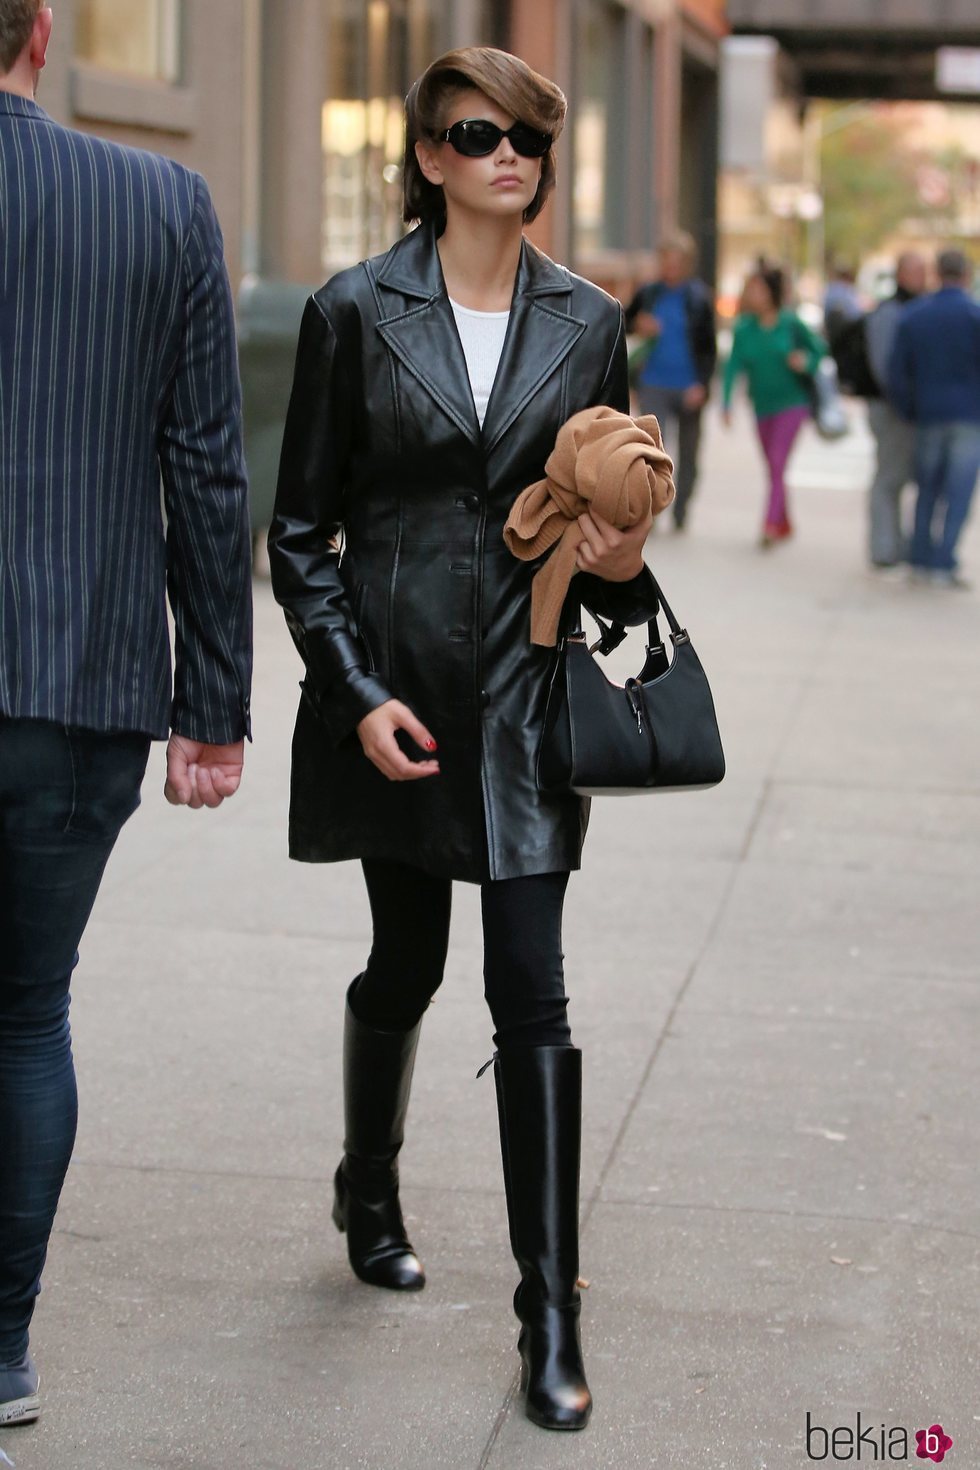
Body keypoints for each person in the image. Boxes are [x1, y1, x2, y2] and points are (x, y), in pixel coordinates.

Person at [268, 46, 663, 1434]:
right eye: (480, 136)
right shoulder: (352, 311)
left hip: (534, 698)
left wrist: (623, 533)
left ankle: (549, 1314)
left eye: (530, 141)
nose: (512, 159)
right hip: (401, 699)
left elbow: (598, 509)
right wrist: (353, 689)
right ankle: (366, 1177)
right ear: (430, 157)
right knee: (406, 960)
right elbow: (300, 533)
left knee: (532, 990)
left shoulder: (590, 318)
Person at [0, 1, 253, 1428]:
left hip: (75, 680)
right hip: (80, 677)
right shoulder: (159, 204)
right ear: (41, 34)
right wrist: (209, 704)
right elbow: (208, 469)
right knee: (25, 1011)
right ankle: (2, 1350)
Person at [888, 248, 980, 588]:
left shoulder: (915, 316)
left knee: (927, 489)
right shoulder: (974, 316)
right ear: (966, 275)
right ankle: (944, 560)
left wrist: (908, 409)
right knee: (958, 493)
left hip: (928, 414)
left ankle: (921, 558)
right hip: (969, 416)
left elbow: (897, 372)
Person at [721, 263, 826, 546]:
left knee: (778, 463)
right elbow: (732, 367)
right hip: (761, 406)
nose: (752, 294)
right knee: (773, 467)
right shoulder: (744, 329)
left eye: (758, 289)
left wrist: (805, 361)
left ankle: (769, 525)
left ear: (771, 293)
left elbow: (819, 350)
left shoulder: (791, 323)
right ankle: (784, 522)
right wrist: (726, 402)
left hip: (792, 404)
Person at [624, 231, 717, 530]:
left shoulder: (699, 297)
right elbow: (620, 321)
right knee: (651, 453)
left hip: (689, 385)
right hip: (653, 382)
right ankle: (650, 511)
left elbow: (709, 347)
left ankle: (682, 509)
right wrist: (638, 324)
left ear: (687, 264)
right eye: (666, 261)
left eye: (676, 263)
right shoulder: (649, 293)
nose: (670, 268)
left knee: (688, 454)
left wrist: (702, 384)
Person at [864, 252, 927, 569]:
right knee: (889, 478)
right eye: (916, 272)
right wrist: (903, 404)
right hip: (891, 409)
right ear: (901, 275)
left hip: (904, 408)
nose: (922, 278)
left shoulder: (913, 309)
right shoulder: (890, 312)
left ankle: (895, 544)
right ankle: (883, 548)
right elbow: (884, 366)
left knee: (898, 478)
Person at [822, 262, 863, 350]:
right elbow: (855, 313)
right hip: (846, 336)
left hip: (833, 335)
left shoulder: (830, 290)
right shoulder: (848, 291)